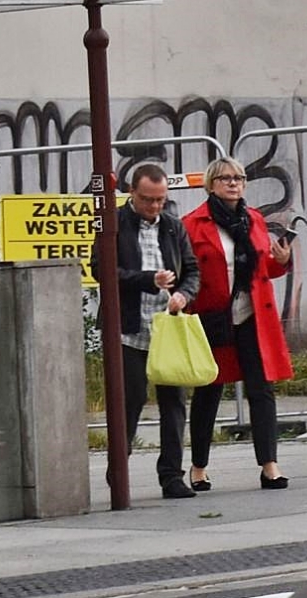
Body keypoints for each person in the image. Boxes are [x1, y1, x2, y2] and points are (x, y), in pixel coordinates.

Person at [182, 157, 294, 491]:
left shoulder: (254, 219)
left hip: (252, 315)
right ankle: (198, 467)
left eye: (240, 178)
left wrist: (281, 261)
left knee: (261, 389)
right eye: (226, 178)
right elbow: (187, 270)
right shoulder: (193, 223)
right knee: (209, 390)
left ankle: (269, 466)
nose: (234, 184)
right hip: (212, 317)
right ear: (212, 184)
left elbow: (263, 269)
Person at [114, 162, 202, 499]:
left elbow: (192, 271)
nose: (154, 207)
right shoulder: (116, 225)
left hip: (168, 328)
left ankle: (171, 476)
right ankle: (118, 470)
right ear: (132, 193)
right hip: (130, 329)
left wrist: (183, 294)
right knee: (130, 401)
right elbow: (103, 269)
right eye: (147, 199)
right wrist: (148, 280)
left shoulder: (173, 227)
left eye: (160, 200)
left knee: (174, 403)